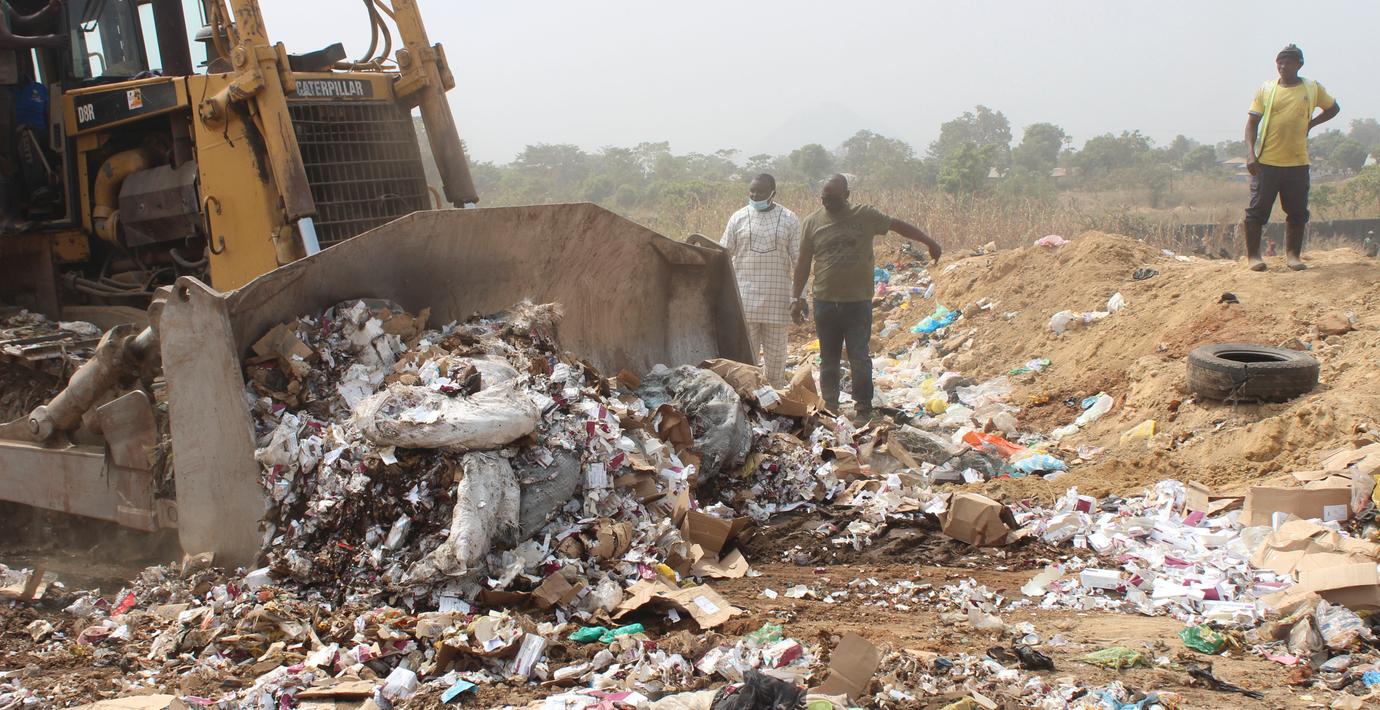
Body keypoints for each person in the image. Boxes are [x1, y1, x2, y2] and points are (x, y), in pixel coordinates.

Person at [791, 174, 941, 422]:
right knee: (828, 358)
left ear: (847, 195)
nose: (828, 202)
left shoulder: (865, 215)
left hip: (857, 302)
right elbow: (803, 262)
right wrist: (796, 297)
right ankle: (830, 407)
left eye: (834, 197)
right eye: (824, 198)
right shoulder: (811, 222)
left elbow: (897, 225)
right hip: (825, 301)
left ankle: (863, 408)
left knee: (859, 356)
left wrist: (929, 241)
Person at [1243, 43, 1340, 271]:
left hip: (1297, 163)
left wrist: (1311, 124)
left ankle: (1293, 255)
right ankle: (1253, 256)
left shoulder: (1312, 88)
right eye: (1280, 62)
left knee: (1297, 212)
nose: (1283, 66)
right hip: (1267, 162)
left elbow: (1333, 108)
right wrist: (1250, 154)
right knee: (1257, 211)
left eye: (1288, 62)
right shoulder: (1267, 89)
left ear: (1299, 64)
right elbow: (1252, 123)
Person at [720, 173, 800, 388]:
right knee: (745, 365)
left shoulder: (789, 219)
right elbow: (722, 255)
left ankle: (775, 402)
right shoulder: (738, 218)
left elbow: (799, 262)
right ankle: (749, 403)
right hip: (744, 303)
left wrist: (798, 298)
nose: (755, 195)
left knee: (776, 365)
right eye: (752, 191)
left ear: (773, 193)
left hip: (777, 303)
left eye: (760, 192)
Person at [0, 0, 65, 231]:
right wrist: (44, 41)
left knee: (10, 150)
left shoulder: (3, 5)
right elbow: (5, 39)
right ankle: (6, 218)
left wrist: (48, 11)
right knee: (3, 153)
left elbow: (21, 24)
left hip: (5, 83)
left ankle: (18, 211)